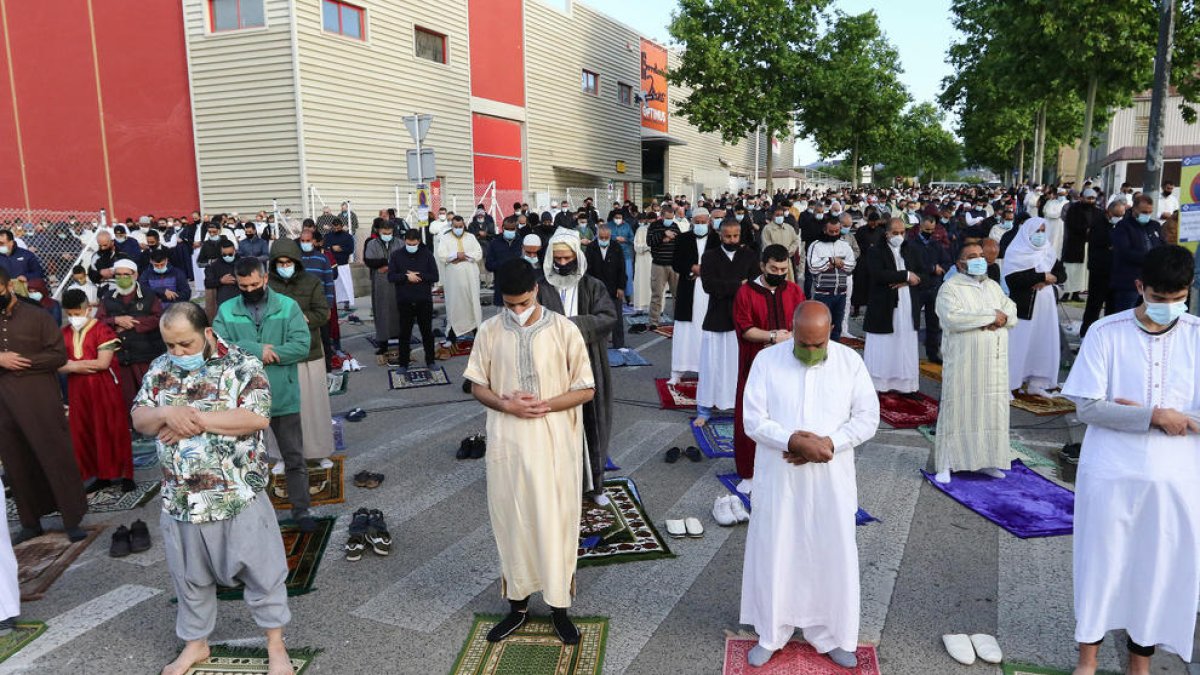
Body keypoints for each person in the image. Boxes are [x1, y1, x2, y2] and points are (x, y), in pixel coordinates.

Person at [132, 302, 294, 675]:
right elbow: (140, 417)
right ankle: (196, 645)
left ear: (206, 333)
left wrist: (195, 419)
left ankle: (276, 647)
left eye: (184, 344)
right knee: (189, 580)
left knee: (262, 574)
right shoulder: (160, 369)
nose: (177, 353)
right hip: (180, 500)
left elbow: (255, 416)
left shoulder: (242, 364)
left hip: (237, 495)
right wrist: (164, 414)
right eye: (170, 345)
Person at [1061, 245, 1200, 675]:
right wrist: (1155, 415)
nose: (1168, 308)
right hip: (1112, 473)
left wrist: (1156, 416)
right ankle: (1088, 659)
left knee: (1157, 570)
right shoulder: (1107, 332)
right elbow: (1087, 406)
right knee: (1101, 563)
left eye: (1178, 299)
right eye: (1159, 299)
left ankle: (1139, 664)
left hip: (1176, 481)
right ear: (1140, 288)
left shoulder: (1196, 335)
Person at [739, 302, 880, 669]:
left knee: (828, 551)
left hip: (830, 477)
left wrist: (827, 444)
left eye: (819, 344)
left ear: (831, 330)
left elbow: (868, 418)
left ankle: (831, 634)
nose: (811, 351)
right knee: (778, 550)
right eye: (804, 343)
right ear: (792, 329)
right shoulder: (767, 361)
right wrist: (792, 441)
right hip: (779, 475)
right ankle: (772, 633)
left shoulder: (850, 362)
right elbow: (753, 419)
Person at [464, 258, 595, 645]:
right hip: (508, 443)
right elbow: (476, 384)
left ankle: (559, 607)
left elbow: (586, 388)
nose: (517, 311)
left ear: (536, 290)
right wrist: (507, 405)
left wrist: (543, 406)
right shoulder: (489, 330)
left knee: (556, 522)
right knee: (512, 520)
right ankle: (517, 605)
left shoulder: (563, 329)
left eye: (523, 303)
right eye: (510, 305)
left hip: (555, 442)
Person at [212, 258, 315, 533]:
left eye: (255, 284)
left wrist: (274, 354)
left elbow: (302, 345)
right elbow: (218, 348)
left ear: (265, 279)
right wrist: (257, 350)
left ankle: (301, 509)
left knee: (293, 456)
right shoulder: (226, 310)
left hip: (282, 393)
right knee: (246, 460)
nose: (249, 290)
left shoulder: (287, 306)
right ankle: (254, 515)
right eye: (243, 286)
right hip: (243, 400)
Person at [0, 267, 89, 544]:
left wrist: (23, 362)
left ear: (9, 286)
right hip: (4, 403)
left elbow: (57, 355)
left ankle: (71, 518)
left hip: (39, 398)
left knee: (54, 453)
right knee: (16, 460)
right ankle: (30, 522)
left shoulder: (37, 316)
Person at [537, 233, 617, 504]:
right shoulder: (539, 286)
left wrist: (570, 326)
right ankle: (558, 485)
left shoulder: (593, 286)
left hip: (588, 359)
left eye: (567, 258)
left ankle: (595, 486)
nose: (562, 263)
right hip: (550, 364)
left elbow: (608, 317)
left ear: (576, 256)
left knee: (593, 423)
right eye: (557, 258)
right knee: (555, 426)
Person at [932, 243, 1018, 484]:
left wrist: (1000, 318)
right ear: (960, 264)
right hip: (964, 363)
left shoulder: (992, 286)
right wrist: (991, 316)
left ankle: (987, 461)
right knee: (958, 411)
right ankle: (947, 464)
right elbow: (952, 318)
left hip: (994, 364)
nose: (979, 260)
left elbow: (1011, 311)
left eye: (981, 256)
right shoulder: (950, 288)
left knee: (991, 411)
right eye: (972, 257)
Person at [731, 244, 806, 489]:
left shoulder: (794, 291)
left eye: (784, 269)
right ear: (763, 266)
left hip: (789, 367)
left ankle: (784, 467)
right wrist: (773, 336)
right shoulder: (746, 292)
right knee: (752, 417)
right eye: (774, 268)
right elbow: (745, 330)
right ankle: (749, 473)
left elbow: (803, 323)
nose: (779, 273)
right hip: (755, 365)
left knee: (786, 415)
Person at [60, 289, 135, 493]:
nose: (75, 318)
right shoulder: (64, 333)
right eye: (71, 314)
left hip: (104, 387)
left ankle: (126, 474)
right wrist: (79, 366)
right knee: (86, 430)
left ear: (87, 308)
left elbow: (103, 363)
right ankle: (101, 474)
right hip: (78, 391)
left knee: (113, 428)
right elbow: (57, 365)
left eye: (78, 313)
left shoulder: (102, 330)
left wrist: (73, 365)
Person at [267, 239, 333, 467]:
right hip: (278, 355)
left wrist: (301, 318)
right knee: (281, 409)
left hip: (309, 352)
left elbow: (322, 313)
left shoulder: (312, 282)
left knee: (313, 407)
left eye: (289, 262)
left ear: (296, 262)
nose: (285, 266)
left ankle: (318, 452)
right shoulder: (266, 286)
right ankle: (283, 456)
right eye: (280, 262)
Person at [695, 219, 759, 426]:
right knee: (710, 366)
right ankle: (704, 408)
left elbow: (753, 284)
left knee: (738, 367)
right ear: (721, 235)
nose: (732, 240)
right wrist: (736, 285)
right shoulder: (710, 256)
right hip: (716, 317)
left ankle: (737, 406)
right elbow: (709, 286)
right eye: (728, 236)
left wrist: (730, 287)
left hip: (742, 318)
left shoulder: (749, 255)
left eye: (736, 236)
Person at [1003, 217, 1066, 396]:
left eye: (1042, 231)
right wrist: (1041, 277)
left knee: (1043, 342)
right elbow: (1014, 280)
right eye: (1036, 231)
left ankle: (1038, 381)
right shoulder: (1016, 251)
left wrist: (1047, 279)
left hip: (1046, 309)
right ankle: (1013, 383)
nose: (1040, 235)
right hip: (1025, 308)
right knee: (1020, 345)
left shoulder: (1048, 250)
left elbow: (1061, 274)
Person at [863, 219, 924, 394]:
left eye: (902, 232)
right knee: (884, 345)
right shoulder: (876, 251)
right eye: (895, 233)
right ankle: (880, 385)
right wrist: (905, 275)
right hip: (884, 306)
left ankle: (906, 386)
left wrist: (912, 280)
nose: (899, 236)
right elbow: (878, 274)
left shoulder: (911, 249)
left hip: (908, 306)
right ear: (887, 233)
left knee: (904, 344)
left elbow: (923, 274)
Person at [98, 259, 166, 411]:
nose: (122, 278)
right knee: (126, 398)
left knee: (150, 394)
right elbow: (99, 321)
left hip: (145, 352)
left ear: (135, 275)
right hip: (120, 355)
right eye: (119, 275)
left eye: (126, 274)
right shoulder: (108, 297)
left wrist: (132, 323)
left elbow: (159, 318)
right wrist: (115, 320)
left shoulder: (149, 295)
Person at [669, 208, 717, 384]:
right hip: (688, 291)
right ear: (692, 222)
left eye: (704, 222)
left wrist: (706, 270)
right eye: (697, 222)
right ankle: (678, 371)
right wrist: (692, 268)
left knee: (707, 330)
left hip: (709, 291)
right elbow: (676, 263)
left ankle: (707, 369)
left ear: (709, 222)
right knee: (684, 331)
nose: (700, 225)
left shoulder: (716, 239)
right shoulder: (683, 239)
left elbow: (722, 262)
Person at [387, 229, 439, 370]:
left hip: (424, 300)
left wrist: (419, 275)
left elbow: (435, 276)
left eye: (414, 243)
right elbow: (391, 277)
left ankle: (431, 361)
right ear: (405, 241)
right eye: (409, 243)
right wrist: (406, 276)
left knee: (427, 332)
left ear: (418, 242)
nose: (411, 245)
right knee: (404, 333)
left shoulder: (427, 255)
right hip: (405, 300)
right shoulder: (396, 255)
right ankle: (403, 363)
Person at [1110, 194, 1164, 313]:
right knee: (1126, 315)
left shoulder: (1154, 226)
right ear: (1134, 209)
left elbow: (1162, 246)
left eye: (1150, 212)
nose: (1147, 215)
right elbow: (1125, 252)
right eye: (1144, 212)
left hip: (1151, 282)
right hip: (1129, 281)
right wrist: (1152, 258)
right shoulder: (1123, 226)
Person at [806, 218, 856, 341]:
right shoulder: (815, 245)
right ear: (824, 230)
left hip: (841, 294)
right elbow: (813, 267)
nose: (834, 234)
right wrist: (831, 261)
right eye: (831, 231)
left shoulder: (844, 245)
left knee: (837, 327)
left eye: (837, 231)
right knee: (821, 326)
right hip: (823, 295)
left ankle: (834, 354)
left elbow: (851, 265)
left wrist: (838, 263)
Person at [436, 215, 483, 341]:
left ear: (464, 226)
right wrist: (455, 255)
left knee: (472, 302)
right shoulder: (445, 238)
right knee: (454, 303)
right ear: (451, 226)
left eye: (460, 227)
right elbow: (442, 255)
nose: (458, 229)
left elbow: (478, 253)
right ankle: (452, 333)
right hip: (453, 278)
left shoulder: (471, 237)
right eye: (455, 227)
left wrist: (464, 256)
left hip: (470, 276)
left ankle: (476, 330)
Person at [1081, 200, 1123, 336]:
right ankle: (1086, 333)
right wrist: (1112, 246)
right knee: (1094, 305)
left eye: (1122, 214)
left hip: (1115, 272)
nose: (1119, 217)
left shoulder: (1121, 225)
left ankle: (1107, 335)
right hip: (1099, 271)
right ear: (1109, 212)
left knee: (1112, 307)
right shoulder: (1098, 223)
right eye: (1117, 214)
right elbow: (1101, 243)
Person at [363, 219, 401, 363]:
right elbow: (370, 261)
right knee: (382, 311)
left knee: (398, 311)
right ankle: (383, 344)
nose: (387, 235)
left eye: (389, 233)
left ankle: (400, 342)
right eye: (385, 233)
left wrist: (388, 266)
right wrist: (387, 263)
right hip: (380, 284)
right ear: (379, 232)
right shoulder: (372, 244)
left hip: (396, 283)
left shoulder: (399, 243)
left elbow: (402, 260)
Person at [584, 224, 628, 349]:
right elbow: (587, 269)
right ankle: (597, 344)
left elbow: (622, 268)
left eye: (606, 237)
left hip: (614, 286)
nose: (604, 240)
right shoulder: (591, 247)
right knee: (596, 317)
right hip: (596, 287)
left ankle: (619, 344)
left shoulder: (616, 247)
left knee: (617, 317)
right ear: (597, 236)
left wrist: (621, 287)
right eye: (601, 237)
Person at [1063, 189, 1101, 302]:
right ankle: (1066, 293)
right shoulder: (1073, 209)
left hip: (1089, 245)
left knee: (1082, 271)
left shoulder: (1098, 212)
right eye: (1088, 198)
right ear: (1082, 198)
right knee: (1070, 269)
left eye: (1093, 198)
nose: (1090, 201)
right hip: (1074, 244)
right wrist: (1085, 230)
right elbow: (1070, 224)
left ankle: (1076, 293)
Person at [647, 207, 681, 330]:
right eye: (667, 218)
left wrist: (672, 239)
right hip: (658, 265)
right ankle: (653, 321)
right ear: (661, 215)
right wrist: (663, 235)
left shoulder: (675, 226)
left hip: (673, 265)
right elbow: (649, 241)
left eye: (671, 218)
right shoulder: (654, 226)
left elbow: (680, 243)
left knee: (677, 294)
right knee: (656, 294)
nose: (669, 221)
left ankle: (679, 320)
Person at [485, 219, 523, 308]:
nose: (510, 231)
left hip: (518, 287)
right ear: (503, 228)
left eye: (512, 229)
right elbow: (488, 265)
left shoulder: (520, 242)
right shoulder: (495, 243)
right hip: (501, 288)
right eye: (507, 229)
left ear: (516, 229)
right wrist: (502, 263)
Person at [760, 206, 799, 282]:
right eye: (777, 215)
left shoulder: (789, 228)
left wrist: (788, 251)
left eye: (781, 215)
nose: (780, 217)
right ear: (772, 216)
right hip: (773, 263)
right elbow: (767, 245)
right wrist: (778, 255)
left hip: (787, 261)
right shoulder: (767, 229)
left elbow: (795, 241)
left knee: (788, 284)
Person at [203, 239, 239, 319]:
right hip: (223, 300)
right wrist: (221, 281)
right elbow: (208, 283)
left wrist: (237, 280)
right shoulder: (215, 265)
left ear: (234, 251)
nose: (227, 256)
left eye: (230, 254)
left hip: (240, 297)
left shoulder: (241, 263)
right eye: (224, 254)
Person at [632, 215, 653, 313]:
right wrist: (647, 247)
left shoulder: (657, 230)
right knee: (641, 282)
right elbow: (636, 246)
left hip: (653, 260)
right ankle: (640, 307)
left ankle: (653, 308)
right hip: (642, 260)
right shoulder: (640, 230)